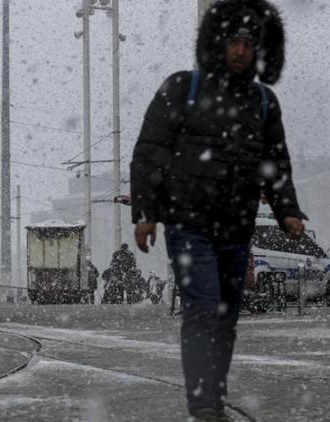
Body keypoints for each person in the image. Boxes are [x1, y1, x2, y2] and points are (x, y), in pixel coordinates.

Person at [130, 1, 305, 420]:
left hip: (237, 229)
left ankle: (213, 395)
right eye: (233, 42)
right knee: (204, 310)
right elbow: (149, 154)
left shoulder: (265, 103)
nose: (240, 51)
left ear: (260, 48)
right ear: (217, 43)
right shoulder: (182, 88)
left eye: (248, 43)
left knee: (225, 319)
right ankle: (204, 405)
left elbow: (275, 163)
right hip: (189, 226)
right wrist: (145, 214)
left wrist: (288, 211)